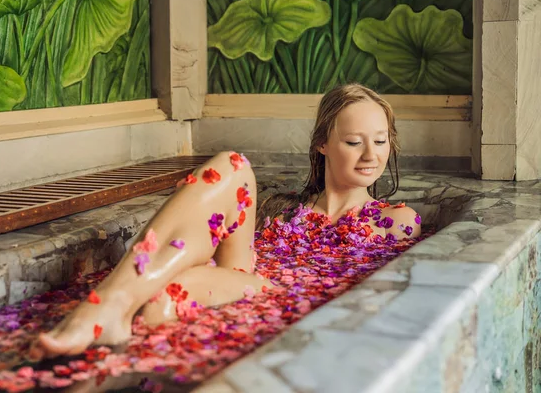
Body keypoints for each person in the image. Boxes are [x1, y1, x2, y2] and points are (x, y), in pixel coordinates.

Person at [28, 83, 421, 360]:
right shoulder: (279, 207)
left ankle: (109, 319)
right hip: (246, 274)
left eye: (381, 140)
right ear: (322, 144)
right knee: (231, 165)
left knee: (162, 304)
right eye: (354, 141)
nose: (372, 154)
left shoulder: (395, 220)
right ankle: (106, 307)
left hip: (282, 299)